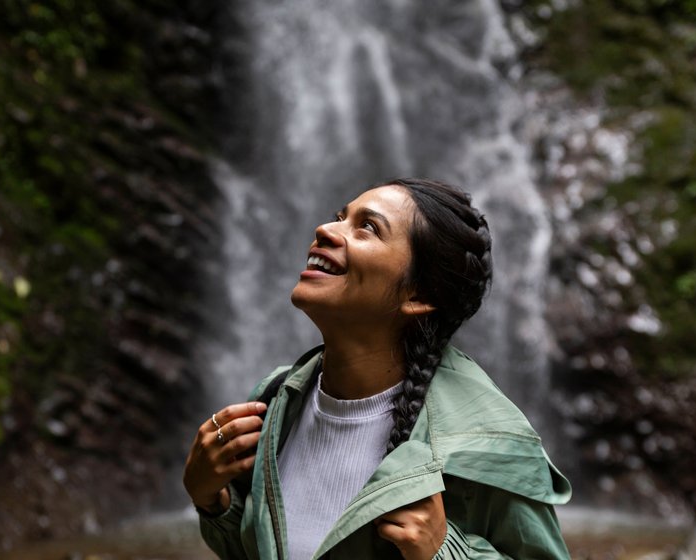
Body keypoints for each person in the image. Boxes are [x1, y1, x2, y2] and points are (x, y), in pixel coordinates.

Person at [183, 178, 572, 559]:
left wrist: (445, 553)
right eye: (340, 216)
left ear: (418, 294)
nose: (324, 229)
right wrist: (214, 500)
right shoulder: (276, 402)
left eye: (367, 227)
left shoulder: (485, 441)